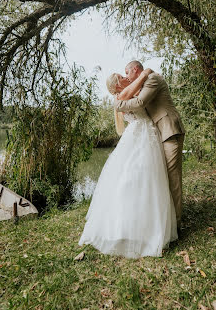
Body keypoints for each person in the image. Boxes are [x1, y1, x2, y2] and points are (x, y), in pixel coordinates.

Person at [78, 69, 178, 259]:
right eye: (122, 78)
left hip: (144, 133)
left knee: (146, 179)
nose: (125, 79)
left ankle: (144, 225)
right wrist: (145, 72)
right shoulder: (122, 95)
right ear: (117, 86)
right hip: (140, 135)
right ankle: (133, 229)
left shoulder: (125, 93)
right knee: (137, 177)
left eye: (125, 76)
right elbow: (138, 95)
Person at [115, 61, 185, 230]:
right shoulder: (145, 81)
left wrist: (118, 105)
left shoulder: (152, 79)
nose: (126, 76)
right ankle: (165, 219)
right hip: (159, 133)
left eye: (127, 72)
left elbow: (140, 103)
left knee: (172, 177)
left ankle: (176, 223)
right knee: (161, 177)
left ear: (135, 70)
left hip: (169, 130)